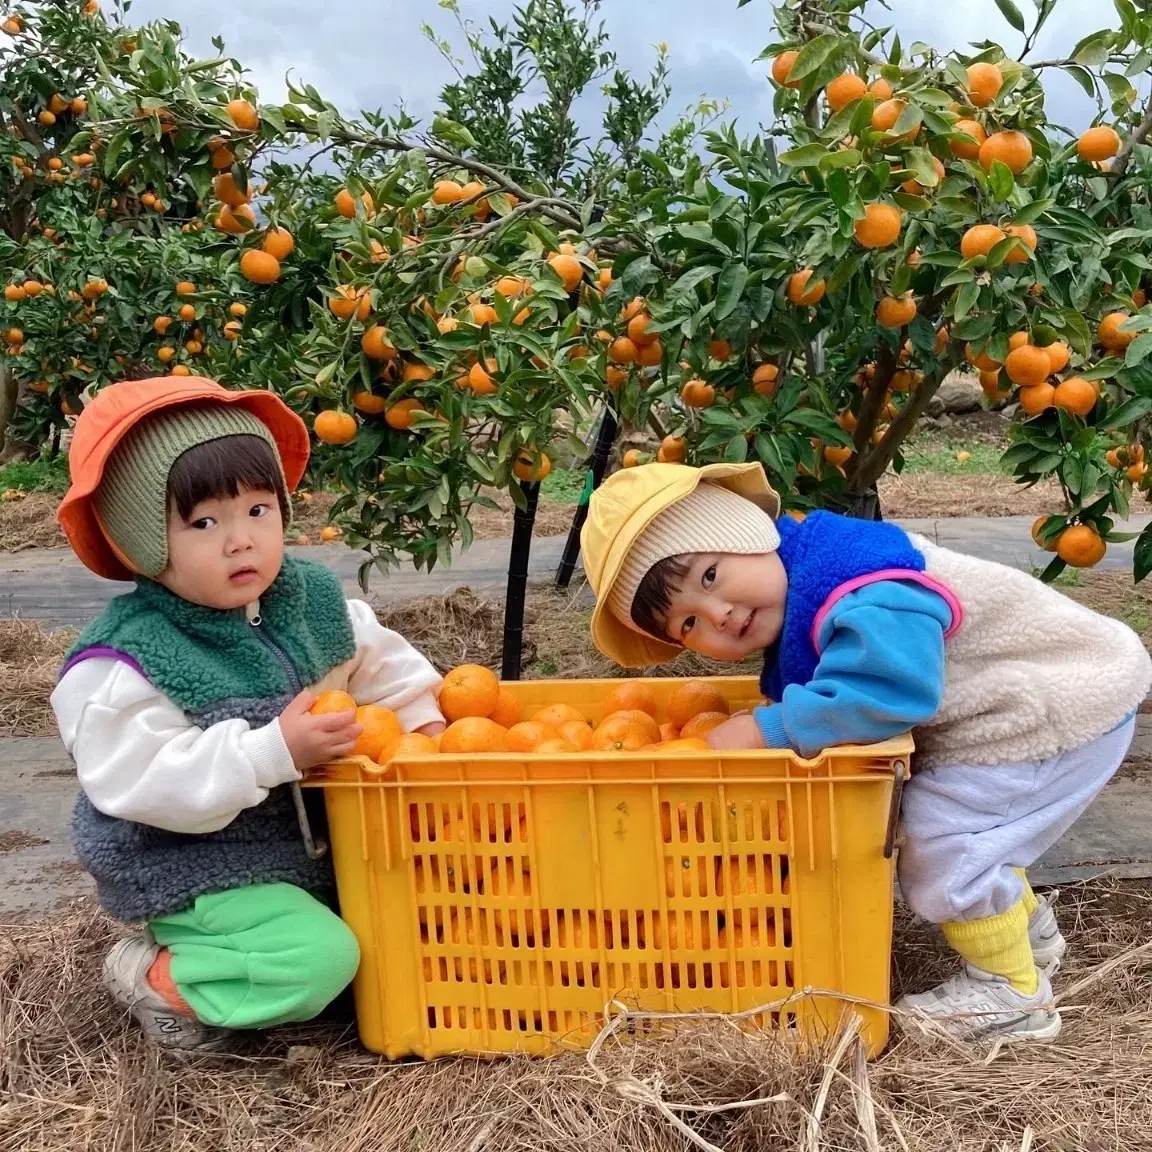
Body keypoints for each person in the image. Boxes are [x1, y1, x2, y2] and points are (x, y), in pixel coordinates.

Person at [580, 460, 1150, 1042]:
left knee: (945, 842)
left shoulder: (862, 583)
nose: (718, 614)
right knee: (975, 831)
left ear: (750, 532)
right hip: (1021, 708)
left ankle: (1013, 997)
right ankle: (1030, 939)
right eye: (688, 625)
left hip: (1052, 704)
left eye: (708, 577)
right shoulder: (806, 578)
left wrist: (771, 730)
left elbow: (889, 692)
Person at [51, 376, 446, 1051]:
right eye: (204, 522)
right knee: (319, 961)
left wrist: (429, 726)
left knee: (413, 938)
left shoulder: (311, 601)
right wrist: (271, 752)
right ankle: (160, 975)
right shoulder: (126, 662)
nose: (241, 540)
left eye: (259, 510)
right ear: (142, 540)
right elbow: (144, 780)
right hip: (194, 865)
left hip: (314, 851)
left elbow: (385, 669)